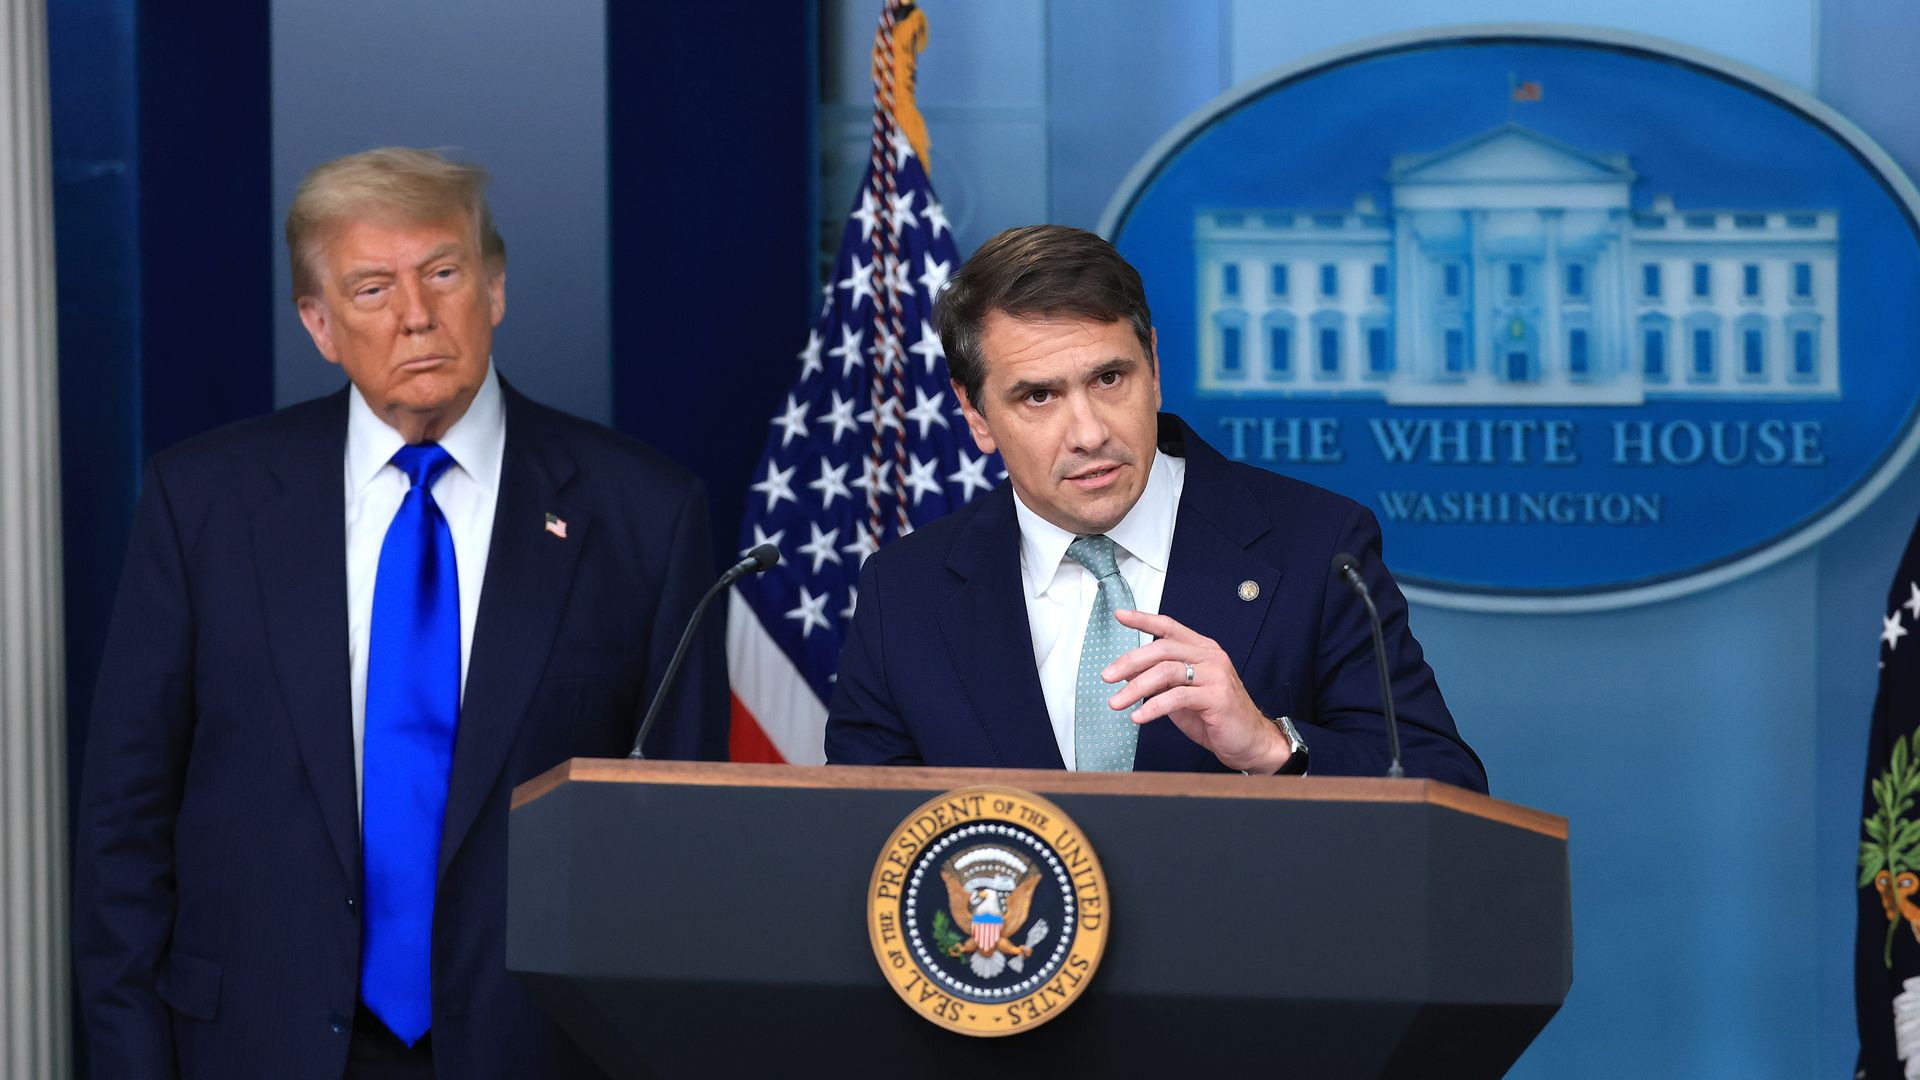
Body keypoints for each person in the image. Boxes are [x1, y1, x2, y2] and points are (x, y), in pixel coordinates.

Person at [73, 147, 726, 1079]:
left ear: (494, 289)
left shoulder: (646, 515)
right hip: (255, 1046)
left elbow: (681, 855)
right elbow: (123, 834)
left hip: (539, 1051)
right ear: (319, 323)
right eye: (371, 288)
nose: (416, 315)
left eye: (445, 274)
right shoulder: (203, 503)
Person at [825, 224, 1484, 789]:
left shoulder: (1316, 549)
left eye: (1109, 379)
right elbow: (860, 841)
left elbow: (1445, 788)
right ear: (976, 416)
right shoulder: (903, 592)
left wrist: (1269, 746)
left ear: (1154, 367)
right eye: (1038, 398)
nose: (1088, 432)